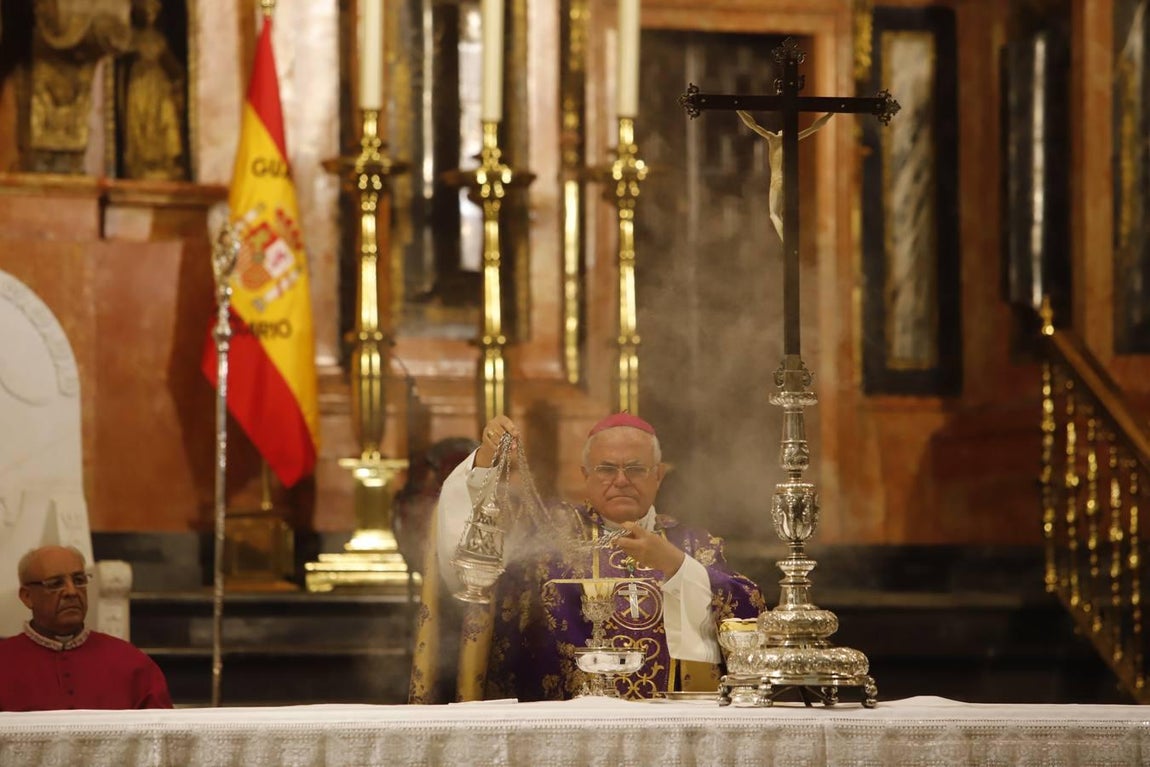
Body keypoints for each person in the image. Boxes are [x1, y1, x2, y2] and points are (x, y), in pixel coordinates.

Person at [432, 412, 764, 700]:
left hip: (673, 730)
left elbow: (749, 612)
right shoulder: (546, 530)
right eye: (606, 469)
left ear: (658, 475)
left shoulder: (692, 545)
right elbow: (479, 540)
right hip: (564, 730)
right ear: (585, 475)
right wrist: (486, 461)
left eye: (635, 469)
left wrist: (675, 566)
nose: (621, 481)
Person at [0, 545, 173, 711]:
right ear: (27, 596)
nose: (72, 591)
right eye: (55, 583)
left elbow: (164, 728)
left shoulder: (132, 663)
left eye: (79, 580)